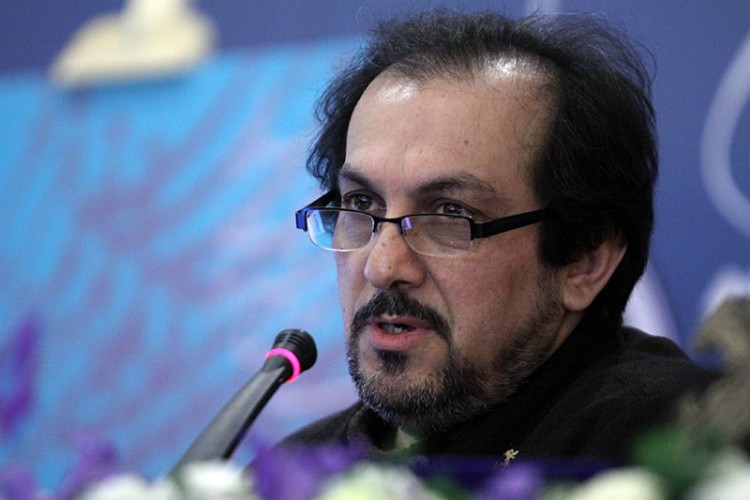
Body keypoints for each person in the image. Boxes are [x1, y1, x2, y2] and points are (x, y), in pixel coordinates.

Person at [283, 9, 712, 465]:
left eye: (450, 214)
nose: (382, 266)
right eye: (362, 203)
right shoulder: (294, 470)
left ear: (584, 261)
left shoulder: (682, 448)